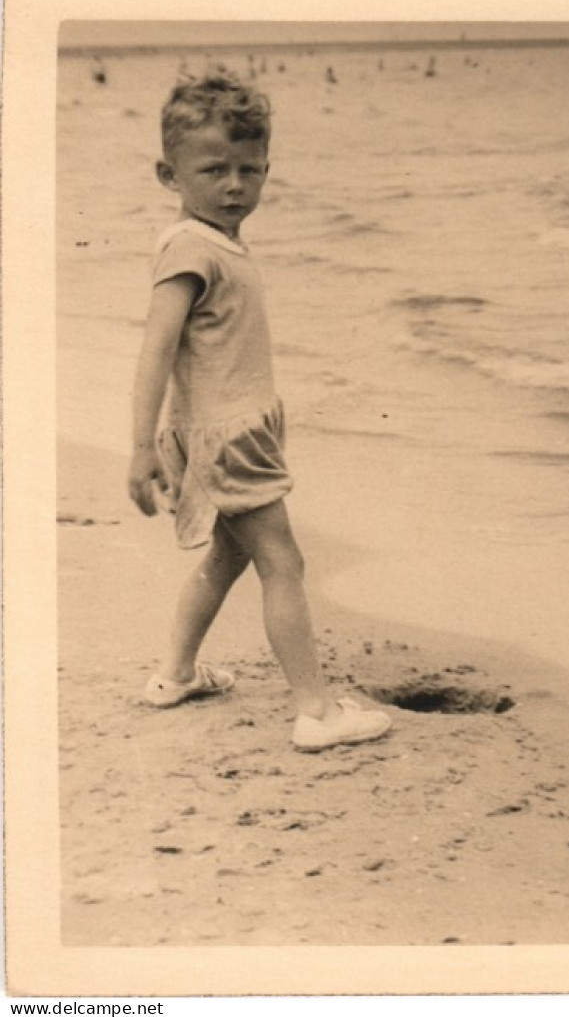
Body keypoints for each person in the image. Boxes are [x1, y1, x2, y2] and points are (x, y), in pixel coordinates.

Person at [127, 69, 392, 753]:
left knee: (227, 558)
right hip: (230, 436)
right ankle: (316, 711)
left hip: (229, 429)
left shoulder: (217, 242)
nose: (235, 186)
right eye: (214, 170)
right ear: (170, 174)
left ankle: (174, 675)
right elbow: (155, 351)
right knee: (285, 564)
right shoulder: (189, 247)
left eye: (250, 170)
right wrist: (139, 449)